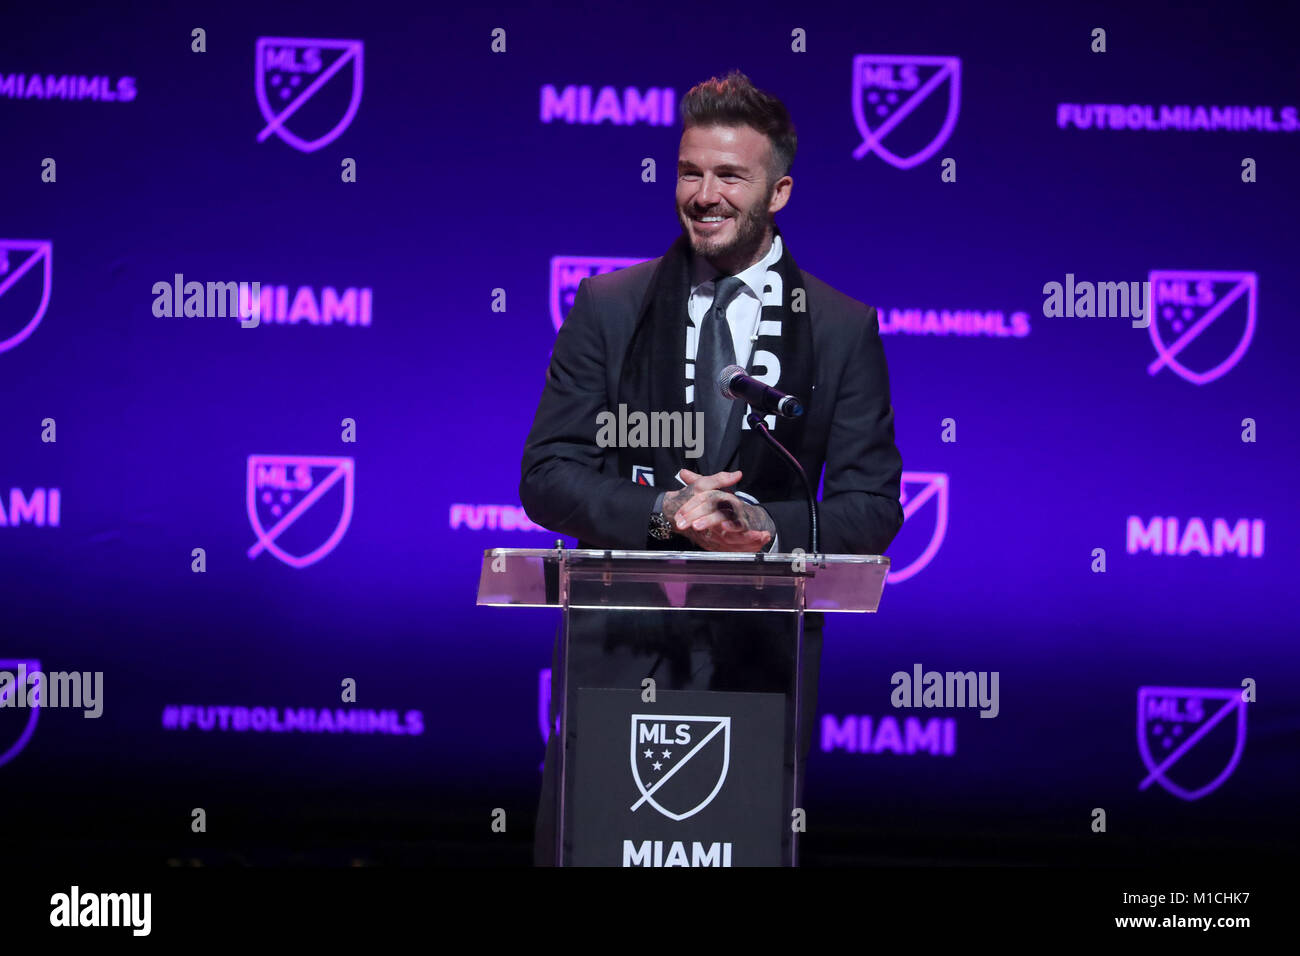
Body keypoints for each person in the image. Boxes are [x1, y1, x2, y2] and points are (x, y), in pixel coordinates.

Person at [519, 70, 903, 865]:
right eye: (690, 171)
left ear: (780, 191)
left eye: (731, 175)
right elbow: (549, 474)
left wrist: (761, 526)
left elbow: (871, 507)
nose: (704, 194)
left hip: (759, 666)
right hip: (616, 654)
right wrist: (665, 515)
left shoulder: (839, 329)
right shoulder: (609, 306)